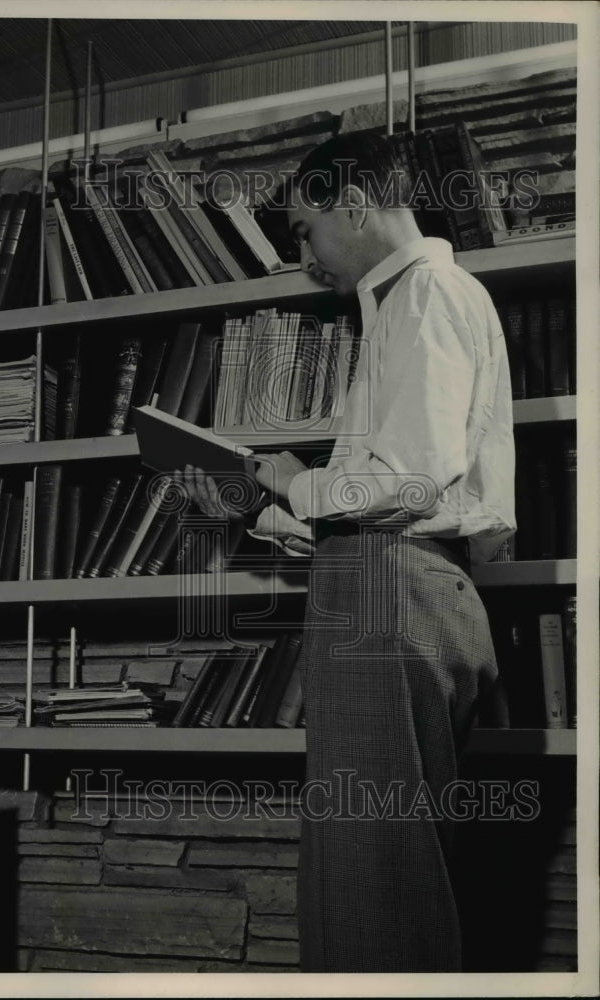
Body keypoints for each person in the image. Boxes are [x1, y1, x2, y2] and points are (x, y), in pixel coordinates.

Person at [184, 131, 516, 972]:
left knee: (371, 873)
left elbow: (408, 483)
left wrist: (296, 482)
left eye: (302, 230)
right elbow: (392, 503)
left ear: (356, 205)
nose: (303, 256)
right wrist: (258, 508)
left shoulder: (427, 295)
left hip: (392, 592)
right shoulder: (408, 304)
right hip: (393, 582)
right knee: (378, 863)